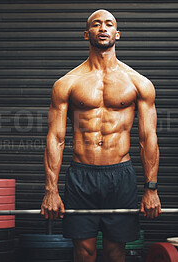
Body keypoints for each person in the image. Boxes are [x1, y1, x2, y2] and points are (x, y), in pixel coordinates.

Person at [41, 9, 161, 262]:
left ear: (117, 34)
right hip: (81, 176)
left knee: (115, 252)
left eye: (109, 24)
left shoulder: (138, 83)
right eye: (96, 24)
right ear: (87, 34)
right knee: (83, 252)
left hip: (121, 175)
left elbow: (148, 138)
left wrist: (151, 188)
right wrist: (51, 190)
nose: (103, 28)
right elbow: (55, 138)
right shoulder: (67, 83)